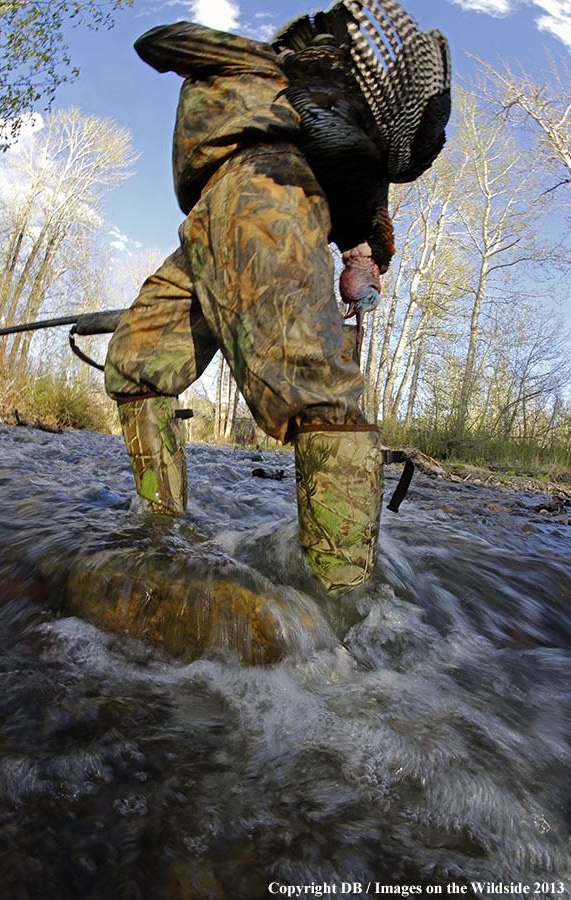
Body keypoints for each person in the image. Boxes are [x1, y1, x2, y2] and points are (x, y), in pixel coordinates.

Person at [104, 0, 451, 594]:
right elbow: (365, 235)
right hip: (214, 219)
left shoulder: (259, 69)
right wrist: (361, 259)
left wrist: (247, 56)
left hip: (263, 191)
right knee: (137, 364)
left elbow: (158, 41)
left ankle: (347, 615)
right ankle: (158, 538)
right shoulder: (299, 99)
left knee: (312, 385)